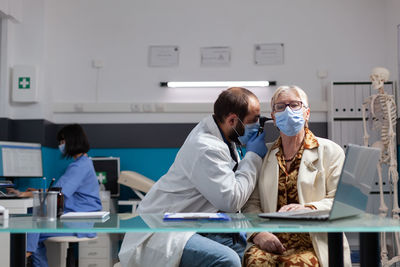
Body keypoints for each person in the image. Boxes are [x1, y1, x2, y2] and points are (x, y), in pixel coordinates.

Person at [119, 87, 268, 267]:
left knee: (251, 254)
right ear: (232, 120)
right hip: (162, 231)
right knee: (227, 259)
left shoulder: (226, 139)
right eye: (253, 122)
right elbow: (231, 200)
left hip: (196, 226)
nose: (258, 127)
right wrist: (253, 157)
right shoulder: (206, 147)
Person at [243, 85, 351, 267]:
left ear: (307, 113)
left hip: (313, 242)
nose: (287, 110)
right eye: (280, 106)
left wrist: (309, 208)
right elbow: (251, 204)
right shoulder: (264, 154)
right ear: (274, 118)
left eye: (294, 105)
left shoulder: (330, 151)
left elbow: (340, 201)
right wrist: (259, 234)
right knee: (254, 261)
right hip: (270, 239)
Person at [26, 124, 102, 267]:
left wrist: (30, 194)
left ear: (72, 141)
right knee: (33, 230)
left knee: (30, 230)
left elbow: (57, 194)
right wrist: (38, 192)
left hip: (80, 221)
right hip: (80, 218)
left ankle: (26, 254)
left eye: (63, 141)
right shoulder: (83, 163)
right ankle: (30, 255)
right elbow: (59, 191)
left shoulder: (79, 166)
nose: (61, 145)